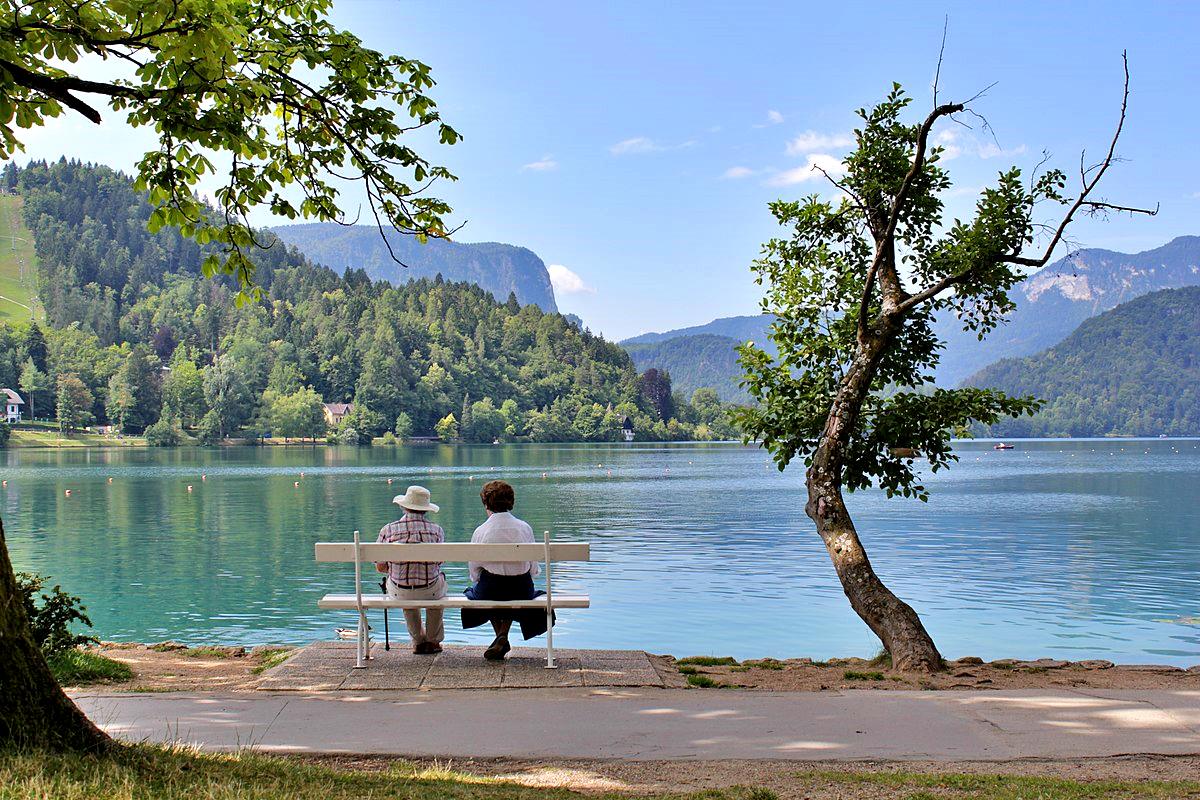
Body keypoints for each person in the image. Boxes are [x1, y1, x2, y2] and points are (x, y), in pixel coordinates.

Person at [461, 480, 551, 660]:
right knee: (512, 589)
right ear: (510, 502)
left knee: (487, 590)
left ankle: (500, 636)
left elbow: (474, 570)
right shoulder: (524, 527)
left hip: (490, 590)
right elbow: (533, 569)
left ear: (486, 503)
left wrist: (480, 577)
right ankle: (503, 635)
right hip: (521, 589)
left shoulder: (481, 531)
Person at [375, 485, 446, 654]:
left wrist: (395, 568)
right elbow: (439, 562)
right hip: (430, 591)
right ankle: (433, 641)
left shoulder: (388, 529)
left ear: (404, 506)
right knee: (439, 584)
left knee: (402, 586)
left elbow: (380, 566)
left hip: (400, 591)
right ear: (425, 509)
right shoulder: (436, 530)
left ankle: (418, 642)